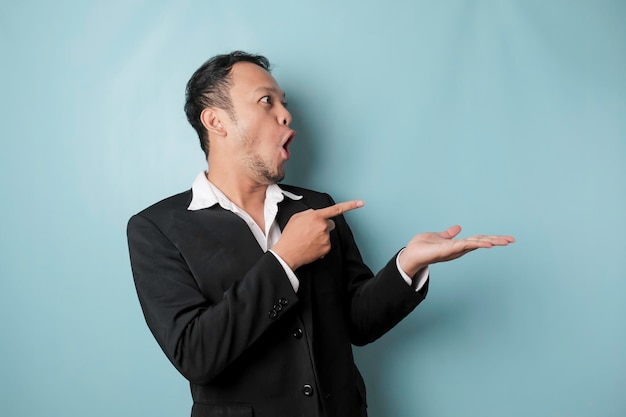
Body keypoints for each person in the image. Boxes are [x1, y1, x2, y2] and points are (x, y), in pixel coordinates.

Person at [127, 51, 514, 417]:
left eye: (285, 103)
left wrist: (406, 265)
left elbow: (358, 323)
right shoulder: (157, 228)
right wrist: (285, 260)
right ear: (216, 121)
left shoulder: (316, 207)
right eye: (267, 101)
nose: (286, 116)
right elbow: (196, 355)